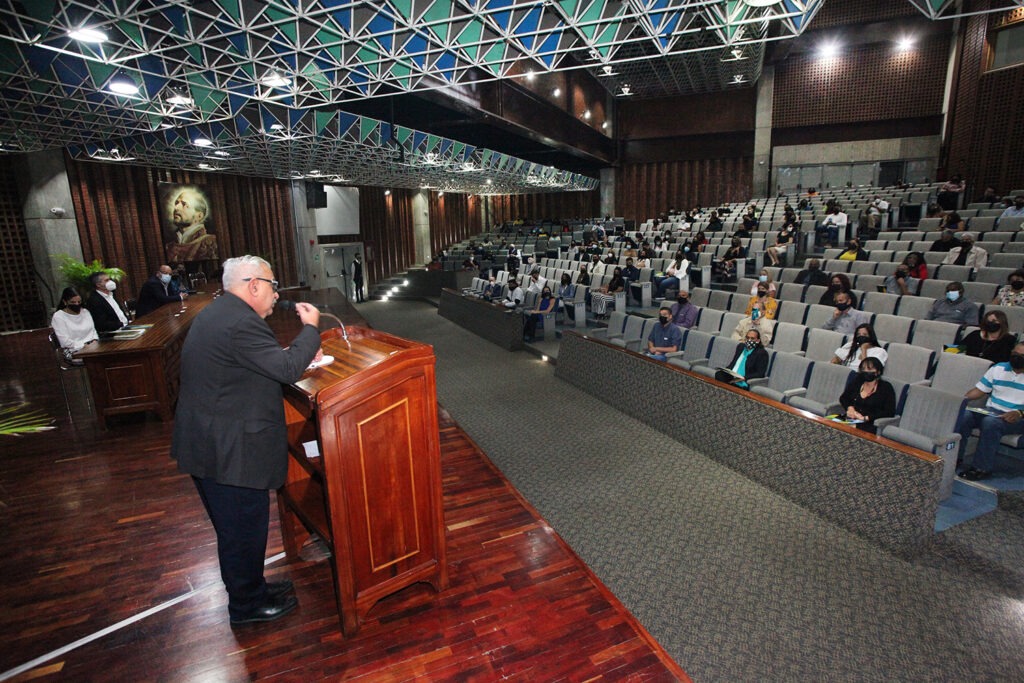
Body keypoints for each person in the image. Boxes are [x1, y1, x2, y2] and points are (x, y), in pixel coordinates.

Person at [171, 255, 321, 626]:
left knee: (241, 529)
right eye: (273, 286)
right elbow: (287, 369)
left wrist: (293, 354)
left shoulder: (221, 313)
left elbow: (249, 363)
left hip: (212, 442)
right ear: (254, 285)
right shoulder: (241, 322)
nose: (276, 294)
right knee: (241, 532)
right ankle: (246, 606)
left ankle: (254, 588)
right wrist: (310, 329)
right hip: (228, 450)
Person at [955, 342, 1024, 480]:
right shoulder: (998, 368)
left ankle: (981, 468)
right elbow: (979, 391)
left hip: (1018, 416)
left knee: (990, 423)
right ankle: (955, 458)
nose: (1017, 358)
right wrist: (960, 401)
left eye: (1022, 356)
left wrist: (1019, 413)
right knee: (964, 416)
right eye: (1015, 354)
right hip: (992, 411)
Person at [838, 357, 896, 435]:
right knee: (828, 422)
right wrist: (850, 408)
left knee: (847, 430)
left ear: (878, 372)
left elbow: (889, 412)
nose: (866, 371)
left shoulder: (886, 387)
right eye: (863, 369)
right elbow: (844, 398)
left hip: (871, 423)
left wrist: (866, 418)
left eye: (869, 369)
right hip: (852, 418)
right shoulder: (858, 381)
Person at [166, 187, 218, 262]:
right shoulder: (169, 246)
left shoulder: (210, 242)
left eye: (184, 204)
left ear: (199, 216)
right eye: (176, 203)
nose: (176, 207)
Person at [51, 286, 98, 363]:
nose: (76, 304)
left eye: (79, 302)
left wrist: (94, 341)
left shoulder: (85, 312)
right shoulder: (59, 316)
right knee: (95, 359)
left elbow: (93, 331)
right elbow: (65, 342)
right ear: (65, 302)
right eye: (73, 302)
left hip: (93, 347)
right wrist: (83, 346)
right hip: (73, 350)